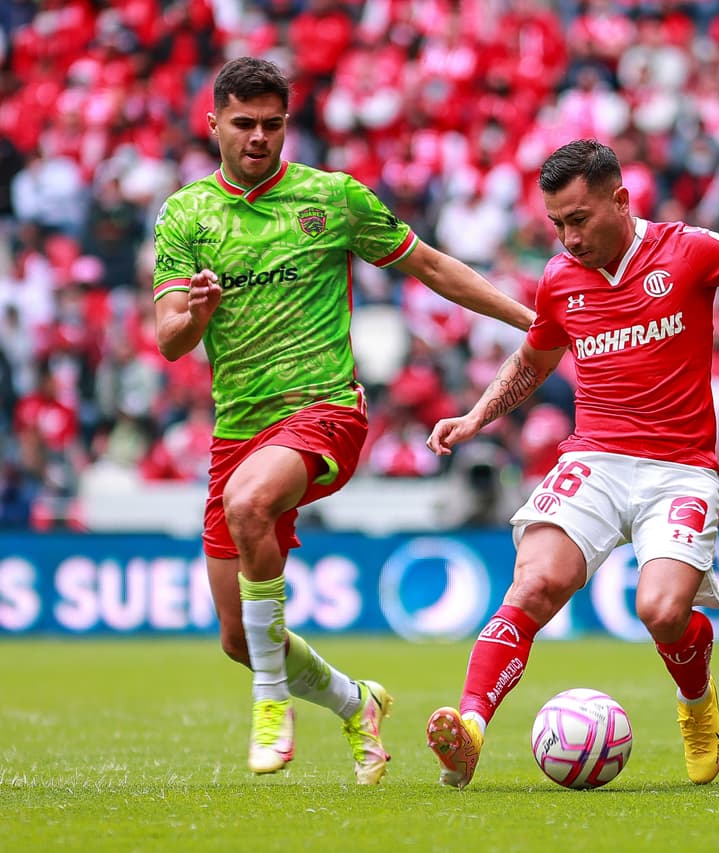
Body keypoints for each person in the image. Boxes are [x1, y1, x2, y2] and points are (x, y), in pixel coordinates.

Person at [151, 57, 534, 784]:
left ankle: (271, 702)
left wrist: (530, 318)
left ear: (286, 125)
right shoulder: (186, 215)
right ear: (213, 126)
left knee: (249, 503)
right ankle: (357, 702)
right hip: (238, 431)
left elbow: (432, 267)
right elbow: (169, 340)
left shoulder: (332, 199)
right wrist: (194, 312)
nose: (259, 138)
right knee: (239, 636)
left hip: (324, 412)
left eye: (272, 124)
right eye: (244, 124)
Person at [423, 139, 719, 789]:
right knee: (533, 586)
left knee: (662, 611)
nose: (569, 238)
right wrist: (475, 417)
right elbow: (533, 361)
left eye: (579, 219)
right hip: (597, 458)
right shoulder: (559, 279)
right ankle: (468, 729)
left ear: (621, 200)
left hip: (679, 467)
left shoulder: (690, 248)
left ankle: (696, 706)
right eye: (557, 224)